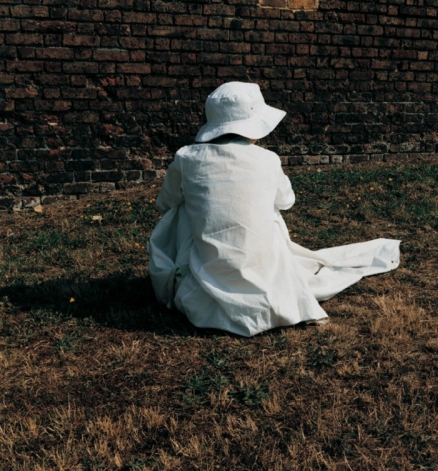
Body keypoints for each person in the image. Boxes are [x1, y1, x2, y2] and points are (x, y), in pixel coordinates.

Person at [148, 82, 400, 337]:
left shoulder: (187, 157)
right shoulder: (268, 159)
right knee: (268, 211)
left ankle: (210, 275)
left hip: (208, 263)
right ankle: (260, 275)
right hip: (259, 254)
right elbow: (286, 201)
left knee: (182, 209)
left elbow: (165, 203)